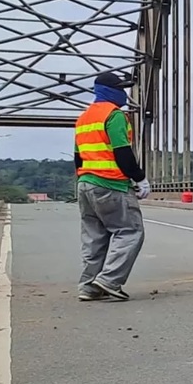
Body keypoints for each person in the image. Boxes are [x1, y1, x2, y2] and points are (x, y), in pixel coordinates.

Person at [73, 72, 151, 302]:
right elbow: (122, 153)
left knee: (94, 238)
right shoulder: (114, 115)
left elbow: (78, 157)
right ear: (108, 91)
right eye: (120, 88)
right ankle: (109, 281)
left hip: (85, 184)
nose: (124, 93)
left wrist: (83, 179)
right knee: (129, 231)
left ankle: (88, 286)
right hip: (111, 184)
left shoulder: (84, 118)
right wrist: (139, 178)